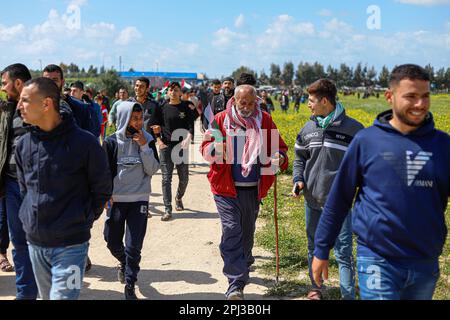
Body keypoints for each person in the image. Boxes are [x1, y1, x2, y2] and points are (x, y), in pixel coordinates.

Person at [312, 64, 450, 300]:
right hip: (377, 258)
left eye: (425, 96)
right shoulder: (367, 141)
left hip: (425, 261)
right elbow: (339, 198)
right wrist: (322, 248)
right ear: (390, 97)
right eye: (411, 97)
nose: (420, 104)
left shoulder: (443, 145)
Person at [15, 77, 112, 300]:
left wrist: (83, 219)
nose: (20, 106)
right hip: (36, 242)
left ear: (46, 104)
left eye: (26, 100)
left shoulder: (85, 143)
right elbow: (24, 190)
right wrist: (29, 218)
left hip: (72, 244)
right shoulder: (24, 144)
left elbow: (102, 189)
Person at [200, 85, 289, 300]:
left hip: (252, 189)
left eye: (251, 103)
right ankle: (235, 283)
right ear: (235, 101)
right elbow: (205, 148)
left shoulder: (264, 120)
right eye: (243, 103)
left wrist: (280, 158)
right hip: (225, 189)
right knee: (232, 228)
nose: (247, 107)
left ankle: (244, 259)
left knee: (247, 233)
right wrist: (215, 150)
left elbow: (280, 148)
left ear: (256, 101)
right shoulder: (221, 120)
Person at [292, 79, 364, 300]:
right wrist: (298, 180)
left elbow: (364, 166)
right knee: (313, 246)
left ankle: (347, 295)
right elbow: (299, 159)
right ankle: (316, 289)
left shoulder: (355, 130)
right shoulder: (308, 128)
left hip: (340, 205)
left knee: (343, 252)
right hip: (312, 200)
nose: (308, 104)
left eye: (311, 100)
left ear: (325, 101)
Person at [103, 101, 160, 300]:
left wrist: (144, 146)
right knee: (111, 241)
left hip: (139, 199)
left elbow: (152, 169)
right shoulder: (111, 142)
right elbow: (103, 173)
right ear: (124, 118)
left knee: (134, 245)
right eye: (133, 118)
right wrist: (104, 195)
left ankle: (130, 285)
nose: (137, 123)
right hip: (116, 200)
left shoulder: (148, 139)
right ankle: (124, 262)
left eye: (140, 118)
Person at [0, 63, 38, 300]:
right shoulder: (7, 109)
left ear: (17, 83)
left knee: (42, 241)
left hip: (36, 188)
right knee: (19, 242)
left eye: (5, 83)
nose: (3, 89)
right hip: (12, 186)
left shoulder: (42, 108)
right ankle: (25, 293)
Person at [149, 82, 194, 222]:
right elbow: (153, 126)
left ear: (180, 92)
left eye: (175, 90)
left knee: (184, 178)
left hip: (181, 147)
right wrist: (159, 141)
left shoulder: (186, 107)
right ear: (167, 92)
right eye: (170, 90)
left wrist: (188, 138)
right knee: (166, 178)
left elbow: (191, 126)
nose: (173, 92)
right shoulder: (161, 107)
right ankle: (167, 209)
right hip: (166, 147)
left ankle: (178, 197)